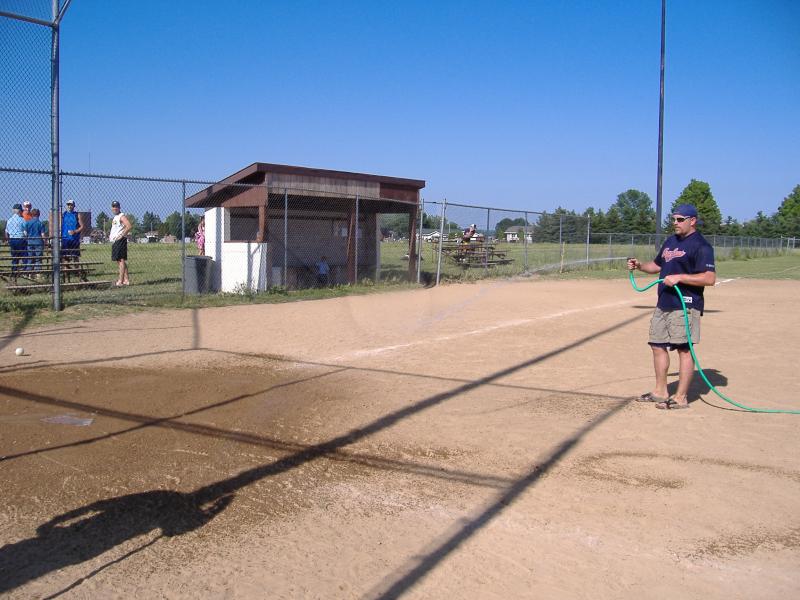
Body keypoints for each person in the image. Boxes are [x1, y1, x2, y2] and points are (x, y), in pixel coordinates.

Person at [627, 204, 716, 410]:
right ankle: (660, 392)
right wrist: (640, 266)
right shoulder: (671, 242)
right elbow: (657, 266)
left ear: (692, 220)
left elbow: (709, 278)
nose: (674, 223)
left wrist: (680, 278)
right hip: (664, 303)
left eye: (679, 219)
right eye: (673, 219)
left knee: (684, 350)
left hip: (685, 305)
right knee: (657, 344)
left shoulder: (701, 246)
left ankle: (681, 397)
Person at [109, 200, 132, 286]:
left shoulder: (121, 216)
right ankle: (126, 280)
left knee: (121, 260)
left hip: (120, 241)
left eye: (116, 207)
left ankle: (120, 281)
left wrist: (121, 235)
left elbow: (129, 226)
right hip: (115, 241)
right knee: (119, 261)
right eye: (113, 207)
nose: (115, 208)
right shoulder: (115, 217)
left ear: (119, 208)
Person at [5, 204, 27, 276]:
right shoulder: (22, 220)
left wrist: (8, 240)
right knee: (24, 256)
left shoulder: (9, 220)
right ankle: (24, 271)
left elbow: (6, 231)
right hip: (20, 239)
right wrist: (26, 237)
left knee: (14, 256)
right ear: (20, 211)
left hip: (12, 239)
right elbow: (25, 231)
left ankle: (14, 271)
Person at [61, 199, 85, 266]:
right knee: (65, 256)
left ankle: (76, 271)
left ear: (74, 206)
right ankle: (66, 272)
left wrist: (75, 231)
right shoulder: (64, 215)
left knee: (75, 256)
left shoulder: (77, 215)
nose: (69, 206)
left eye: (71, 205)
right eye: (68, 205)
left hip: (74, 239)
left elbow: (82, 226)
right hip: (65, 238)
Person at [24, 208, 47, 275]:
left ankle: (29, 273)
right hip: (38, 242)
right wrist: (45, 242)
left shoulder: (28, 223)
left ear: (31, 214)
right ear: (39, 214)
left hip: (30, 241)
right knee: (38, 258)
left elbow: (25, 233)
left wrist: (27, 238)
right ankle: (38, 273)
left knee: (30, 258)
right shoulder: (40, 223)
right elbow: (43, 235)